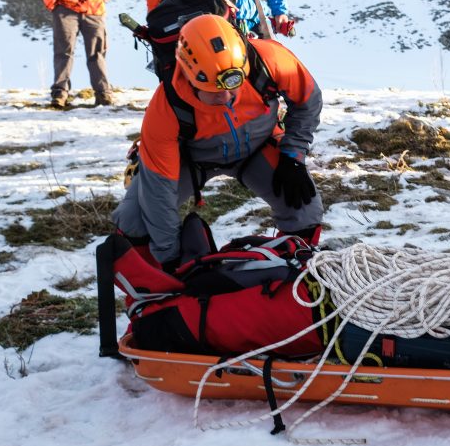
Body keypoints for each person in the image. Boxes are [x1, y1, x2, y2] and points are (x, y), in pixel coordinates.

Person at [111, 14, 323, 271]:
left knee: (304, 208)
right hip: (194, 160)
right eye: (213, 92)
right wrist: (170, 259)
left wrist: (293, 156)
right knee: (133, 220)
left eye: (233, 87)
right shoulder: (165, 108)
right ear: (189, 77)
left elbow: (307, 101)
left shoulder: (268, 58)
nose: (225, 97)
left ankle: (295, 271)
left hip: (257, 146)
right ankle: (160, 290)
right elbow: (159, 193)